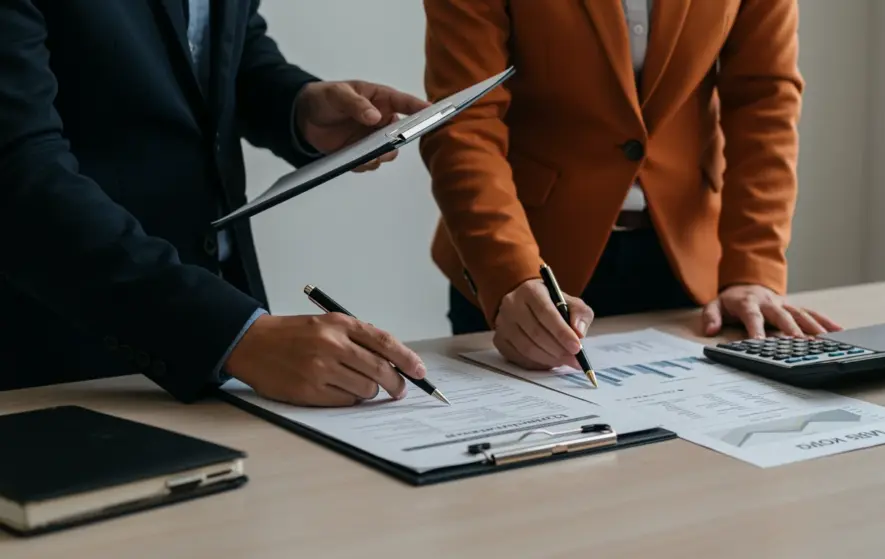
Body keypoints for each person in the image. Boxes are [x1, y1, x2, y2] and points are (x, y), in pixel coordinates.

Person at [0, 0, 431, 407]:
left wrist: (297, 107)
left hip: (235, 347)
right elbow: (19, 176)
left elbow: (219, 50)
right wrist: (232, 334)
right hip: (62, 358)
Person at [420, 0, 842, 371]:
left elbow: (764, 100)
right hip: (523, 261)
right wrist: (508, 274)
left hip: (688, 261)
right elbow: (466, 121)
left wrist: (753, 270)